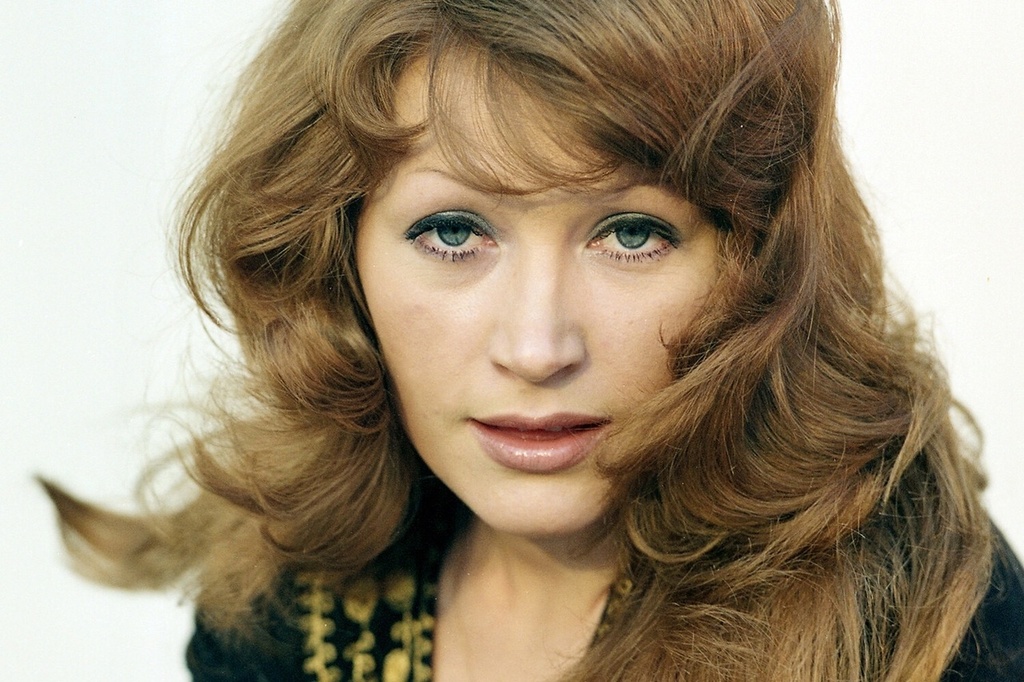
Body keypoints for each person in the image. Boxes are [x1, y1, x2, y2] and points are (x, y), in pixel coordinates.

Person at [44, 0, 1024, 679]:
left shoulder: (920, 619)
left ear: (758, 262)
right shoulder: (282, 610)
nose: (537, 345)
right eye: (453, 232)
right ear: (337, 257)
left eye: (631, 234)